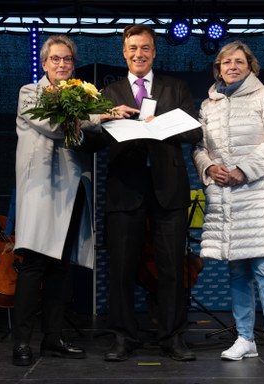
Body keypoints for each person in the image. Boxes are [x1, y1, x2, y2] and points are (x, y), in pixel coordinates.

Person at [12, 34, 136, 367]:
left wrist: (109, 118)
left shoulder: (82, 96)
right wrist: (102, 116)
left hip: (72, 191)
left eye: (67, 59)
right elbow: (56, 126)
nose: (62, 64)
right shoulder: (30, 93)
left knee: (60, 269)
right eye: (56, 59)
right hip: (42, 190)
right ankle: (22, 342)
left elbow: (89, 134)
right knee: (34, 266)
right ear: (44, 62)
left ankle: (52, 338)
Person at [84, 24, 202, 362]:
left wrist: (163, 124)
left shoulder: (175, 87)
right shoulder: (106, 94)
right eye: (133, 48)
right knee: (121, 269)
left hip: (169, 189)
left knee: (172, 269)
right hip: (125, 189)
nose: (139, 54)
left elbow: (195, 132)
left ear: (154, 52)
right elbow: (90, 141)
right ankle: (122, 337)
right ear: (124, 52)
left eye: (146, 48)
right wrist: (107, 117)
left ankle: (173, 336)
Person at [192, 41, 264, 368]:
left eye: (239, 61)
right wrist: (209, 168)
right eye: (227, 62)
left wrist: (243, 170)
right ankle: (245, 339)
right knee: (237, 269)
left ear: (250, 66)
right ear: (218, 68)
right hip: (224, 197)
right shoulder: (207, 105)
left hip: (257, 193)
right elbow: (199, 147)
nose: (233, 66)